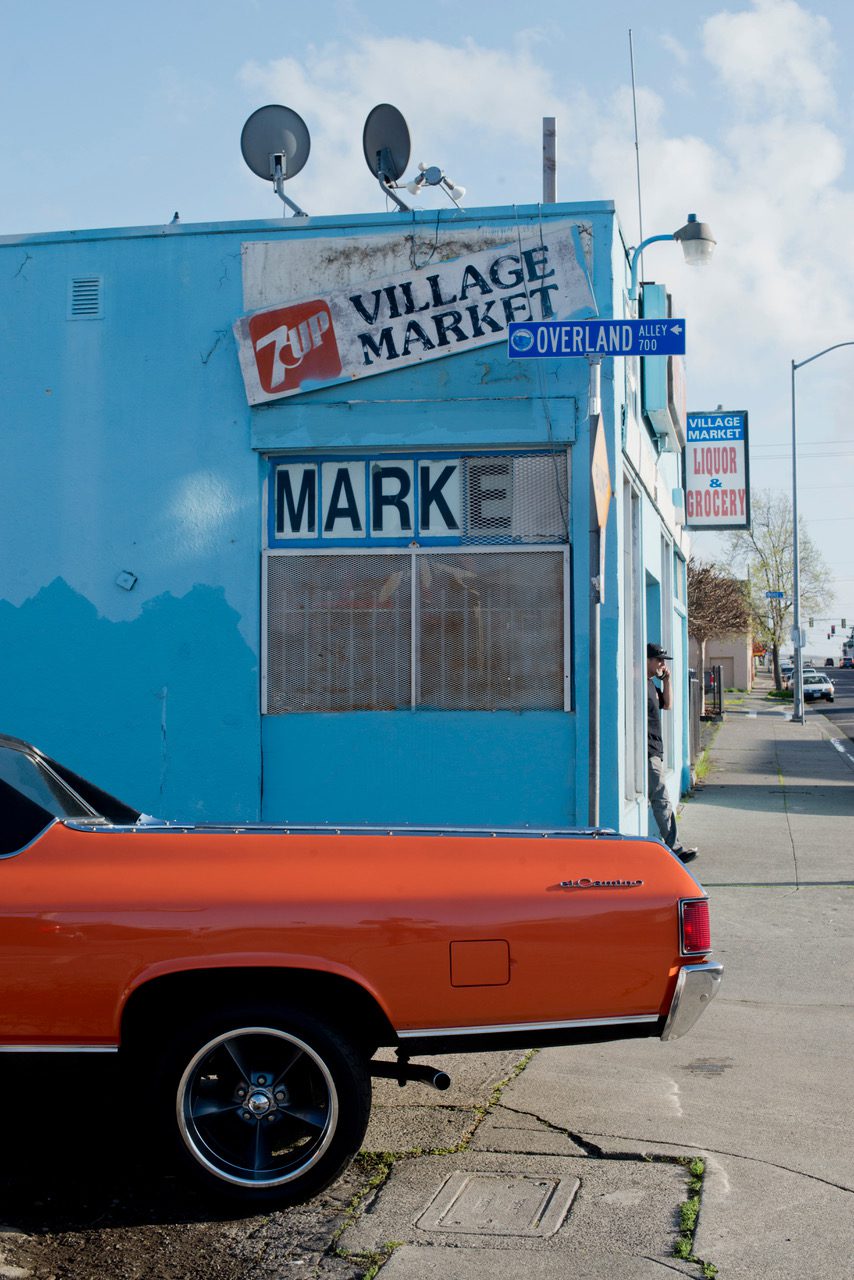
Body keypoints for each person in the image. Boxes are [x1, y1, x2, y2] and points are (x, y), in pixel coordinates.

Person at [647, 642, 697, 864]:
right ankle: (674, 848)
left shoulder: (650, 685)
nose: (662, 664)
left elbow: (667, 704)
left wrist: (666, 679)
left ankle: (671, 845)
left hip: (656, 749)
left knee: (661, 798)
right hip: (647, 750)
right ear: (647, 659)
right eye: (658, 660)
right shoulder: (637, 683)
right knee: (661, 798)